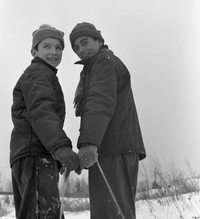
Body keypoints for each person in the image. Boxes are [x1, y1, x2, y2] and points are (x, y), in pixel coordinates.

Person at [69, 22, 146, 219]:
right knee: (116, 212)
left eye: (85, 43)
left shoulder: (104, 62)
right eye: (76, 47)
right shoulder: (98, 64)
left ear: (99, 40)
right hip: (114, 146)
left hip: (113, 148)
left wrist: (88, 143)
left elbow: (99, 102)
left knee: (111, 213)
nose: (81, 50)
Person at [10, 24, 80, 219]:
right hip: (35, 154)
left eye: (59, 48)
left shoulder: (43, 73)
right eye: (47, 47)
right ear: (34, 51)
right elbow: (41, 111)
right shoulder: (39, 73)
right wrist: (60, 148)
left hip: (30, 153)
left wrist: (56, 155)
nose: (54, 52)